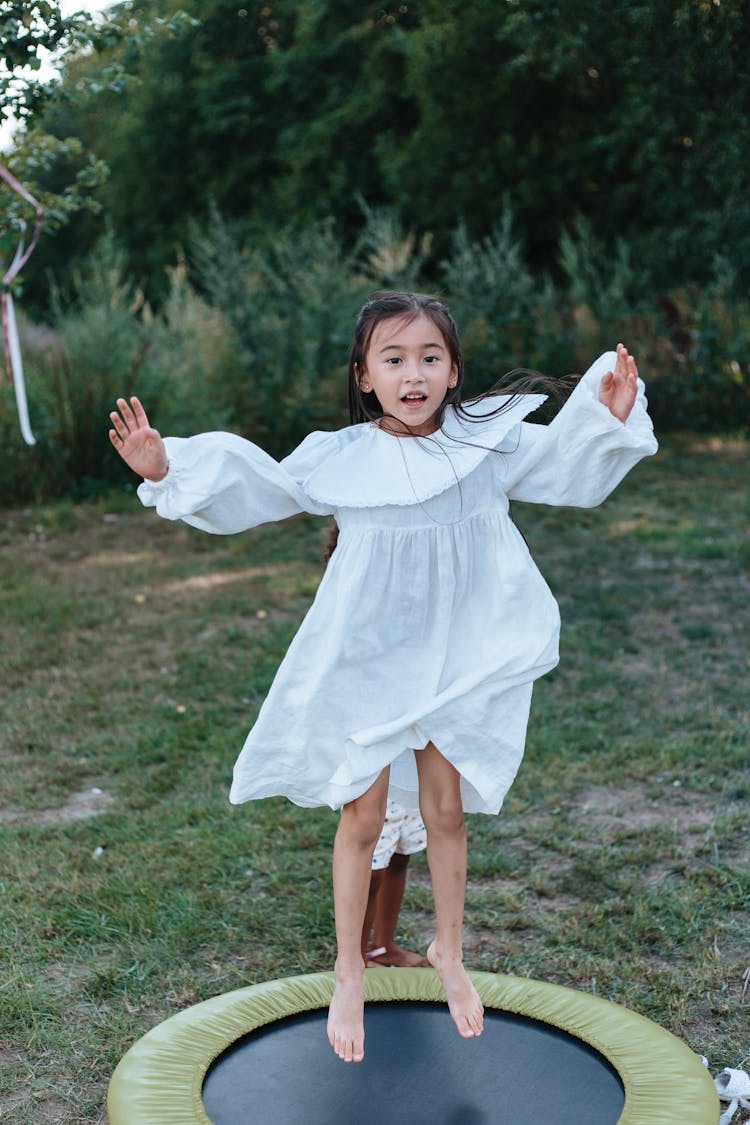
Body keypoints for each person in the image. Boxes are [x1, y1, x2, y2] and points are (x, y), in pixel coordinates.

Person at [109, 290, 657, 1065]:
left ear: (454, 369)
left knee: (445, 809)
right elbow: (259, 482)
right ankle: (348, 969)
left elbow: (569, 464)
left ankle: (451, 952)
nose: (413, 373)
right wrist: (171, 468)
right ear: (364, 375)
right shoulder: (342, 456)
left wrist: (608, 415)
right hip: (372, 654)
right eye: (393, 359)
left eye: (430, 357)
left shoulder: (489, 444)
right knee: (362, 818)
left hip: (460, 651)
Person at [364, 801, 429, 968]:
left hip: (408, 787)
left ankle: (384, 946)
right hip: (377, 786)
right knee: (369, 871)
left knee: (400, 854)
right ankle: (354, 957)